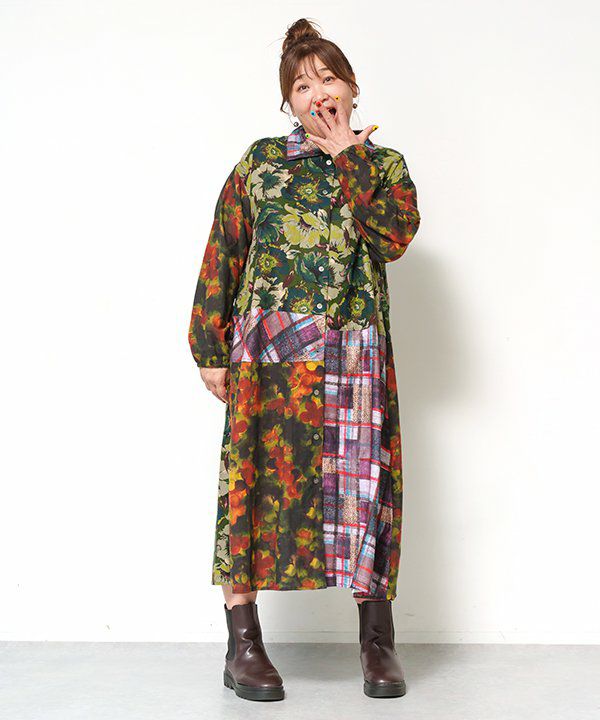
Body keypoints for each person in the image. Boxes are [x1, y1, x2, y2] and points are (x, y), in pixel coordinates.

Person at [188, 18, 421, 701]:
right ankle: (243, 646)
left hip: (353, 357)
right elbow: (224, 250)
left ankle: (377, 643)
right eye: (300, 84)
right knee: (250, 488)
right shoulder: (261, 163)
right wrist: (208, 346)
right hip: (267, 357)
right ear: (288, 103)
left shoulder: (384, 166)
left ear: (351, 89)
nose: (316, 92)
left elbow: (393, 239)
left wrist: (350, 156)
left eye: (327, 78)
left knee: (366, 493)